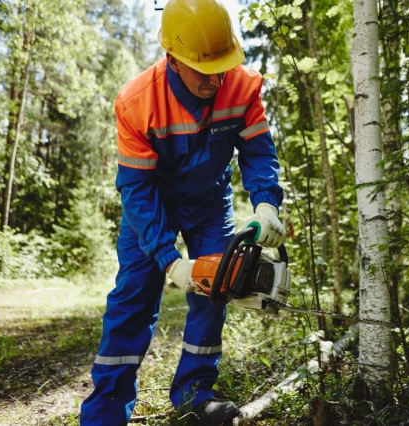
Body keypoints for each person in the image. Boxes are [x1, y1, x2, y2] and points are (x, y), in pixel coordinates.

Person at [79, 0, 285, 424]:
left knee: (216, 289)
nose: (216, 78)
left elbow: (258, 151)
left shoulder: (241, 87)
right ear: (173, 59)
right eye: (204, 69)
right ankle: (105, 412)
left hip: (210, 203)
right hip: (152, 205)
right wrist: (172, 263)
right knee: (133, 298)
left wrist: (266, 203)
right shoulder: (137, 102)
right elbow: (135, 188)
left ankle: (195, 395)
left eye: (222, 67)